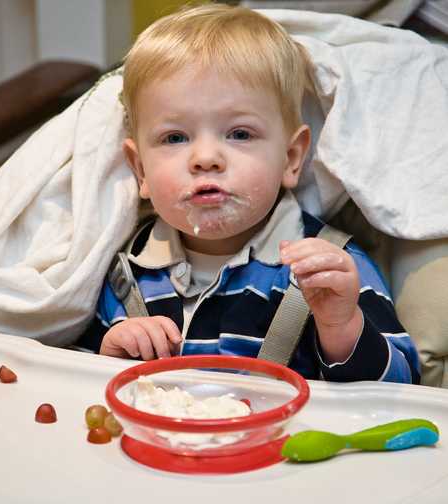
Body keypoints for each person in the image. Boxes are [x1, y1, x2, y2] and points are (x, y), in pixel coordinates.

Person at [77, 3, 420, 383]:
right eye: (175, 137)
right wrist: (109, 356)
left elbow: (401, 387)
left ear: (291, 158)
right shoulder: (128, 271)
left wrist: (341, 325)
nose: (206, 158)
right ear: (140, 169)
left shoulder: (329, 266)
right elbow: (74, 385)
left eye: (240, 134)